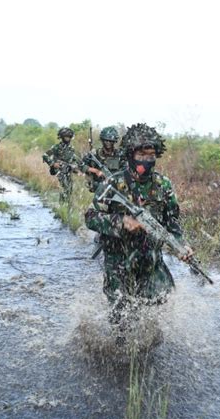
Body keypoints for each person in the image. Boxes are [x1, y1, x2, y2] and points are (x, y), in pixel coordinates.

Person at [85, 123, 193, 323]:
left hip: (149, 258)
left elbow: (172, 221)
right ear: (130, 155)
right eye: (141, 156)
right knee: (121, 314)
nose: (146, 161)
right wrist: (120, 221)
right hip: (117, 258)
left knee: (158, 304)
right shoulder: (112, 184)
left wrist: (181, 245)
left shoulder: (163, 185)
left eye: (151, 156)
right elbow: (90, 217)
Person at [80, 126, 125, 192]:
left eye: (110, 141)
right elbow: (81, 165)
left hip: (116, 186)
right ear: (102, 140)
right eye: (105, 140)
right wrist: (96, 171)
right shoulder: (95, 154)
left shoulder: (119, 155)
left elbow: (125, 169)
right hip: (99, 186)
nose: (108, 143)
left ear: (114, 141)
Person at [42, 127, 79, 203]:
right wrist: (53, 164)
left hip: (68, 170)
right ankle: (62, 205)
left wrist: (76, 166)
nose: (67, 138)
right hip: (60, 170)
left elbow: (74, 158)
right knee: (65, 187)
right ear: (62, 137)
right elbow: (45, 155)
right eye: (66, 137)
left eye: (69, 137)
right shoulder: (56, 147)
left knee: (69, 189)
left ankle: (66, 206)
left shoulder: (71, 148)